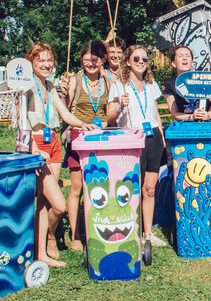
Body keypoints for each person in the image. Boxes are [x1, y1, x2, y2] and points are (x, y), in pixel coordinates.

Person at [24, 43, 98, 266]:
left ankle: (43, 250)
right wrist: (32, 149)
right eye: (41, 60)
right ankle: (46, 241)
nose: (46, 64)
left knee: (46, 204)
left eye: (49, 60)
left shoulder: (49, 86)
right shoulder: (26, 86)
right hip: (37, 145)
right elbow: (21, 122)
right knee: (59, 205)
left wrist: (82, 124)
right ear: (31, 62)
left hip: (53, 142)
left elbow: (64, 113)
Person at [106, 45, 168, 247]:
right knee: (130, 188)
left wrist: (161, 135)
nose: (141, 62)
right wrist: (119, 106)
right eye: (136, 59)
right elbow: (109, 118)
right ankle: (131, 230)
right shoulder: (119, 85)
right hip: (131, 138)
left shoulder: (151, 85)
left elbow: (155, 112)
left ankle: (148, 233)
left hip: (153, 138)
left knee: (149, 189)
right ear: (127, 62)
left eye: (144, 59)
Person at [62, 41, 112, 251]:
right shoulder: (73, 80)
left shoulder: (108, 80)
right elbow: (63, 111)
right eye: (88, 59)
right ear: (81, 59)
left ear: (102, 61)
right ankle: (75, 235)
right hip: (78, 135)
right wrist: (63, 93)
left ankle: (102, 226)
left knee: (102, 184)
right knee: (77, 187)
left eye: (96, 59)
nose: (91, 63)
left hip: (102, 136)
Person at [162, 45, 211, 121]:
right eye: (180, 56)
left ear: (192, 63)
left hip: (206, 125)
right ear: (173, 63)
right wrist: (192, 117)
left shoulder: (203, 78)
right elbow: (174, 112)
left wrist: (208, 115)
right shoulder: (169, 83)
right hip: (185, 127)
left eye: (188, 56)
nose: (184, 58)